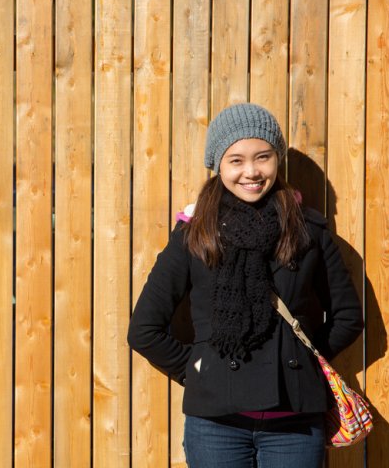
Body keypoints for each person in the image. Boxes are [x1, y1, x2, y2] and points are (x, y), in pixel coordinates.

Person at [127, 103, 364, 467]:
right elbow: (144, 329)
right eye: (236, 160)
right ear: (218, 165)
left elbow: (348, 316)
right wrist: (199, 369)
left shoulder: (307, 230)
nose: (251, 172)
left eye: (262, 157)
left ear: (277, 160)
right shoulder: (194, 235)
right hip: (216, 425)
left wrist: (298, 364)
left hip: (295, 426)